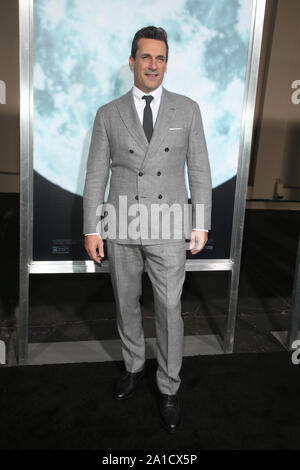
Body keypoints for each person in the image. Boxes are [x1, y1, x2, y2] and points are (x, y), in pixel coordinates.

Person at [83, 26, 212, 433]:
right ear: (132, 61)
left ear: (166, 63)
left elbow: (201, 173)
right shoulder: (108, 113)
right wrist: (92, 228)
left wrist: (201, 222)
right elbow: (95, 177)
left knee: (170, 309)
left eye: (160, 58)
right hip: (120, 224)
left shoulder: (187, 109)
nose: (153, 65)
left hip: (170, 226)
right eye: (146, 57)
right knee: (125, 303)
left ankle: (170, 385)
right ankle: (134, 365)